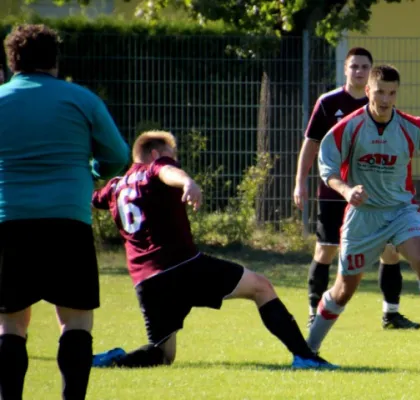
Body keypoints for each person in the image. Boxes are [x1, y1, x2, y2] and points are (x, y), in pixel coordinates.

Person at [90, 130, 339, 370]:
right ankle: (305, 357)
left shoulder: (115, 187)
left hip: (146, 283)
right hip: (182, 267)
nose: (174, 160)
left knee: (162, 355)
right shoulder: (156, 168)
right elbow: (167, 172)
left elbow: (92, 198)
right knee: (261, 287)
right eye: (171, 155)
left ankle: (112, 361)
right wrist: (187, 181)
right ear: (155, 154)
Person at [307, 64, 420, 356]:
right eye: (380, 92)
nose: (386, 99)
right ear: (368, 91)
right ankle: (308, 350)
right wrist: (347, 191)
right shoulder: (348, 128)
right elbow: (327, 169)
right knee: (344, 290)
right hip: (364, 215)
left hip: (402, 211)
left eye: (392, 93)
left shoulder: (411, 126)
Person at [0, 24, 130, 400]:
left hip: (10, 221)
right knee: (76, 321)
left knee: (10, 324)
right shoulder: (81, 99)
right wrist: (90, 173)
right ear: (55, 60)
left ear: (12, 61)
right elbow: (118, 156)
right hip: (67, 222)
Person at [294, 47, 420, 330]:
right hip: (335, 192)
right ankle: (315, 310)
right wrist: (299, 181)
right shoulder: (328, 103)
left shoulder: (380, 102)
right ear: (346, 70)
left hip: (375, 198)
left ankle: (391, 313)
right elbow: (312, 144)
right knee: (326, 249)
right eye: (354, 66)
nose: (359, 71)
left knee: (390, 250)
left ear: (370, 74)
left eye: (364, 67)